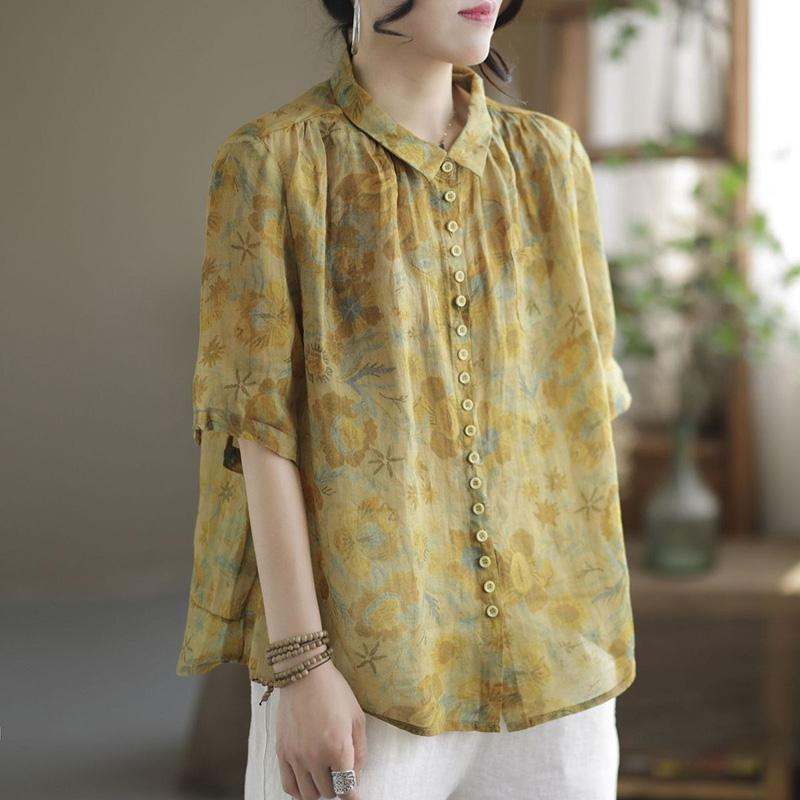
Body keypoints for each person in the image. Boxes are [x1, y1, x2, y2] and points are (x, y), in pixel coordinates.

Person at [177, 1, 637, 798]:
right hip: (364, 676)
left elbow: (581, 408)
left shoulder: (550, 159)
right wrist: (302, 667)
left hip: (556, 672)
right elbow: (257, 431)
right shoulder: (272, 161)